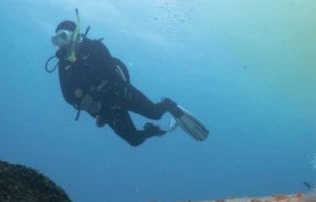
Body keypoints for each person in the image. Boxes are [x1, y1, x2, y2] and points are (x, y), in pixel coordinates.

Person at [49, 16, 208, 146]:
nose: (62, 44)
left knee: (154, 113)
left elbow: (110, 71)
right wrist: (83, 103)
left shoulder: (94, 47)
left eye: (64, 37)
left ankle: (168, 105)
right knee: (134, 140)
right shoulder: (64, 65)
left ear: (75, 34)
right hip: (103, 107)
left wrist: (93, 93)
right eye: (57, 40)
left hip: (120, 92)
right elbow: (67, 95)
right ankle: (151, 131)